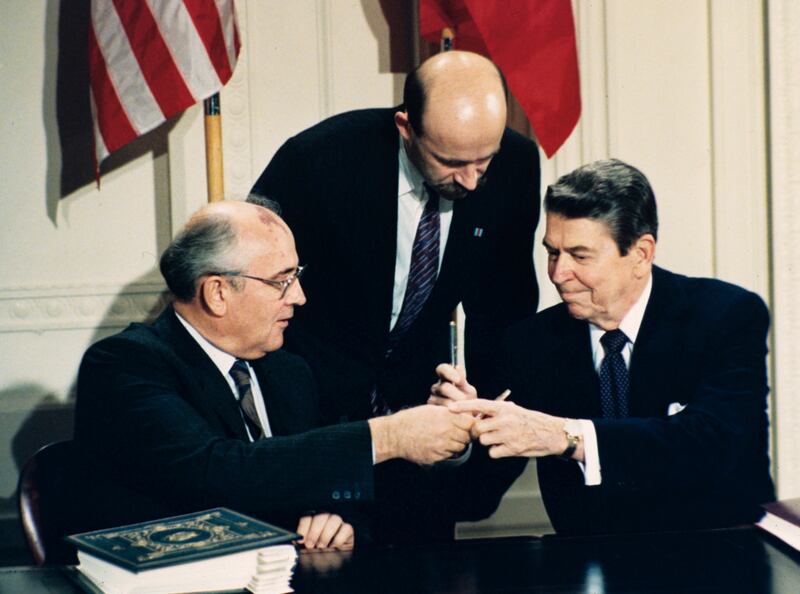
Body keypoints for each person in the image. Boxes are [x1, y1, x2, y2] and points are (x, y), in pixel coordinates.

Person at [249, 50, 539, 541]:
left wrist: (475, 438)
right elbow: (257, 311)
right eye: (450, 162)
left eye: (482, 161)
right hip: (315, 433)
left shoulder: (515, 163)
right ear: (406, 127)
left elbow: (505, 313)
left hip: (420, 441)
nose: (471, 181)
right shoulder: (317, 162)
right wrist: (316, 486)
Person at [72, 201, 475, 549]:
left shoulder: (287, 371)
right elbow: (218, 473)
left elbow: (320, 471)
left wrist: (334, 516)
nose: (299, 296)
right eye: (282, 281)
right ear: (217, 292)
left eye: (296, 276)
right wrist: (390, 434)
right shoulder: (124, 366)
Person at [436, 159, 776, 535]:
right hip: (590, 571)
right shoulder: (530, 343)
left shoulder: (725, 316)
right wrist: (459, 435)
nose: (557, 274)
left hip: (718, 563)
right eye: (552, 252)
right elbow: (475, 498)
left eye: (580, 256)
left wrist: (565, 437)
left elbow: (714, 446)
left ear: (641, 254)